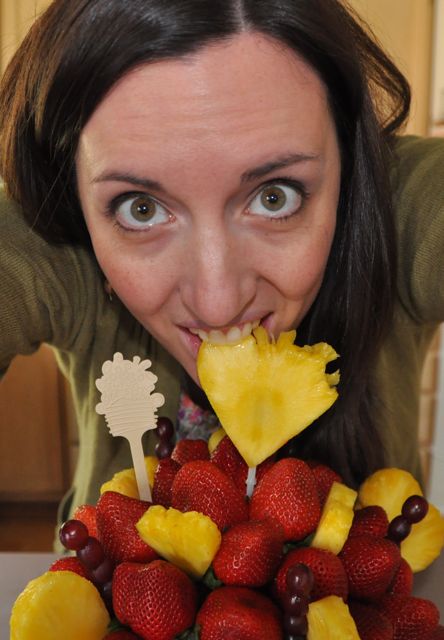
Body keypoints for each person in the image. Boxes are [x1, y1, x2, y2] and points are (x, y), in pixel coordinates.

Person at [0, 0, 443, 529]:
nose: (218, 304)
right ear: (73, 196)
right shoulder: (62, 237)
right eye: (141, 209)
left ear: (350, 167)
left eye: (275, 197)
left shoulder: (401, 210)